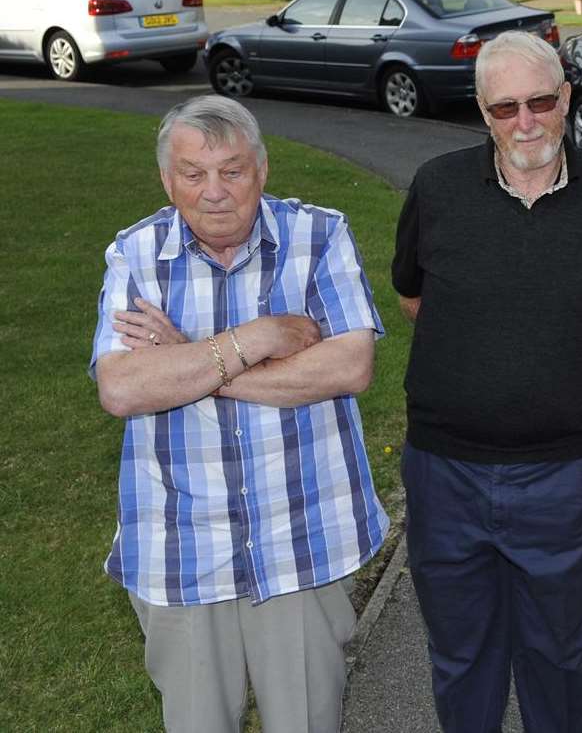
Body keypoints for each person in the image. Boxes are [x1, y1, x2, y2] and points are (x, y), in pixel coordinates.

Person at [90, 95, 388, 733]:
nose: (214, 192)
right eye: (193, 174)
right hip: (181, 546)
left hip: (301, 538)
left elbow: (348, 368)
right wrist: (257, 339)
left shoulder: (318, 235)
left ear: (263, 169)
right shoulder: (135, 256)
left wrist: (191, 366)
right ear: (168, 181)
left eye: (232, 171)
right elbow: (121, 388)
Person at [391, 30, 582, 732]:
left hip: (560, 473)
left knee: (556, 652)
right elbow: (415, 298)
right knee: (460, 653)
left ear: (567, 97)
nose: (525, 121)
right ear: (482, 113)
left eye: (540, 101)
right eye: (503, 108)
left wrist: (548, 358)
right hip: (444, 471)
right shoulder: (437, 187)